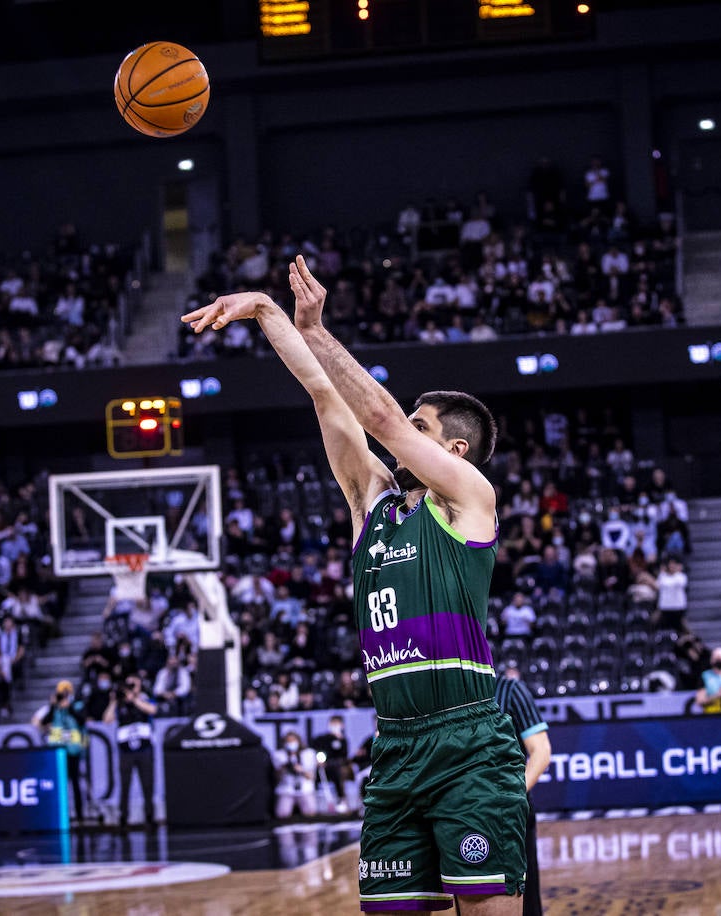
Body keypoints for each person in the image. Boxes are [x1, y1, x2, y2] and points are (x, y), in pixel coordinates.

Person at [184, 255, 527, 914]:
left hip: (469, 747)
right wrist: (266, 310)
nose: (405, 430)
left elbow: (383, 421)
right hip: (396, 745)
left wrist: (318, 331)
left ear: (453, 452)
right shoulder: (374, 503)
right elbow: (326, 395)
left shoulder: (468, 499)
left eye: (422, 426)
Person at [494, 666, 552, 916]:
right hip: (462, 815)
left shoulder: (509, 690)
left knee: (524, 900)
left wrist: (513, 797)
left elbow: (541, 752)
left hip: (511, 816)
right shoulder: (446, 694)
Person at [104, 674, 157, 831]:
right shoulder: (120, 704)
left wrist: (134, 698)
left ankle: (149, 816)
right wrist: (114, 701)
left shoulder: (144, 699)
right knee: (125, 785)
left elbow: (152, 710)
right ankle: (123, 817)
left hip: (144, 749)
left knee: (147, 784)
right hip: (126, 751)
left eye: (134, 685)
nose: (130, 689)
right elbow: (107, 719)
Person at [35, 679, 90, 824]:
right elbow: (43, 722)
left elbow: (82, 721)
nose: (64, 695)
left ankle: (80, 816)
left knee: (76, 784)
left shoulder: (77, 705)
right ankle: (60, 814)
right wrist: (53, 706)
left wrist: (70, 707)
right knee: (59, 784)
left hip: (73, 750)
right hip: (58, 751)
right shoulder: (55, 708)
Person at [273, 730, 320, 820]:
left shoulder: (308, 754)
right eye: (288, 741)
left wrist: (301, 770)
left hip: (305, 789)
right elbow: (276, 777)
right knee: (282, 814)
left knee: (310, 812)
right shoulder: (279, 755)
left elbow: (311, 777)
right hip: (287, 789)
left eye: (293, 741)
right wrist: (284, 767)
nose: (291, 743)